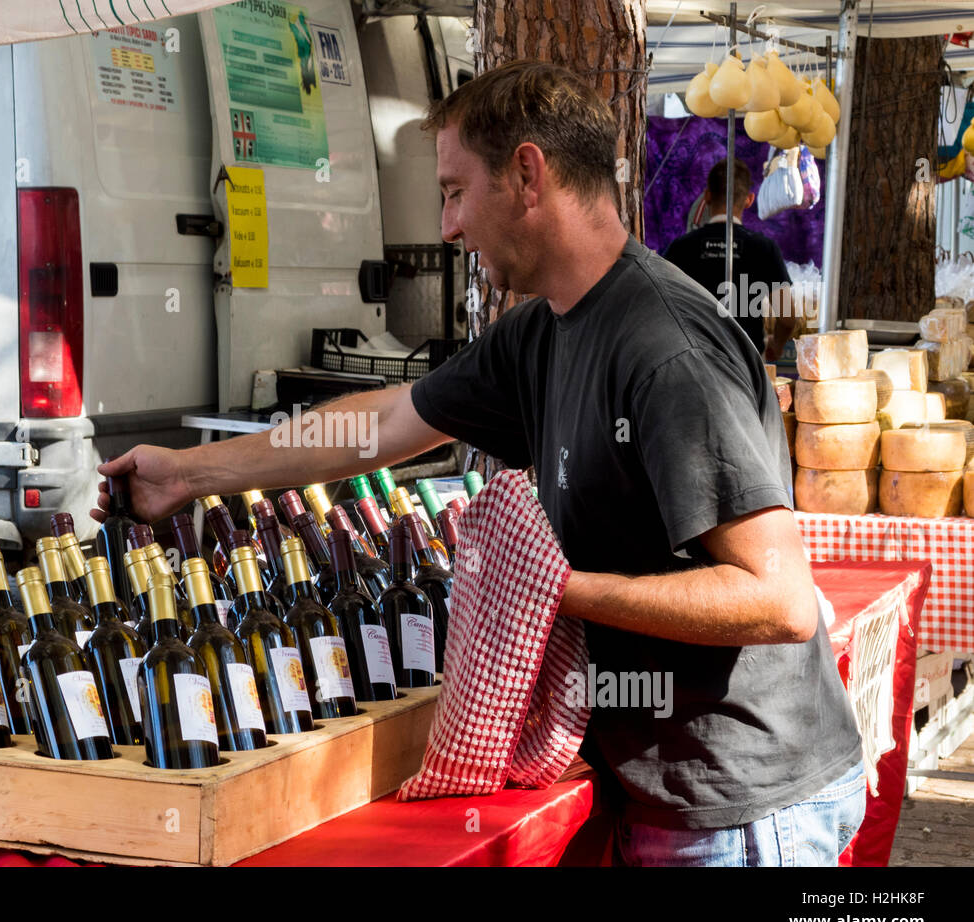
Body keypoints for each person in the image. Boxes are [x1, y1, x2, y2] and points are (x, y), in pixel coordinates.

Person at [94, 61, 864, 867]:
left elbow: (778, 602)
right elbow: (386, 422)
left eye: (456, 192)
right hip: (681, 794)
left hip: (743, 804)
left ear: (527, 176)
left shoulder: (666, 350)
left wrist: (554, 591)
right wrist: (189, 476)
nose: (449, 226)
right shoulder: (546, 331)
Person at [663, 159, 799, 362]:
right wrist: (776, 346)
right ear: (749, 200)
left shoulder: (680, 248)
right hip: (746, 366)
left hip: (691, 364)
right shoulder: (764, 249)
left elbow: (661, 311)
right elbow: (787, 318)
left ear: (707, 196)